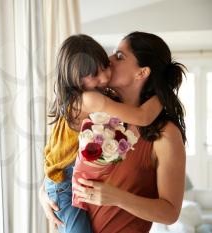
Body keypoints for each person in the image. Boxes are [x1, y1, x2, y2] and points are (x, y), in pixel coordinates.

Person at [39, 34, 163, 233]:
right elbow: (142, 117)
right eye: (94, 74)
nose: (105, 76)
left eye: (104, 66)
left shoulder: (88, 97)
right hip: (64, 184)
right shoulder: (89, 99)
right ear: (75, 79)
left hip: (64, 178)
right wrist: (164, 95)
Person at [71, 31, 187, 232]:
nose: (108, 60)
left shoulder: (166, 134)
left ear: (141, 73)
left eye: (119, 56)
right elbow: (62, 160)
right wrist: (46, 190)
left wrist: (116, 197)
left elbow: (170, 213)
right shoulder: (95, 111)